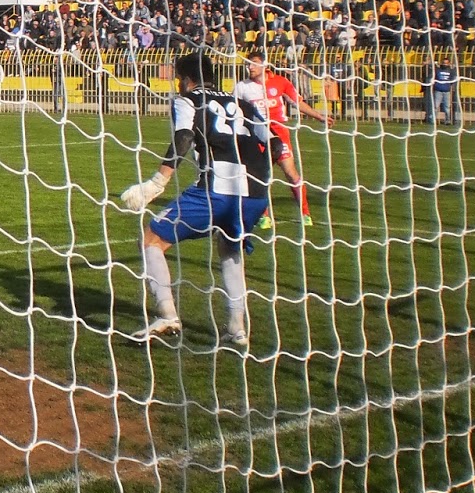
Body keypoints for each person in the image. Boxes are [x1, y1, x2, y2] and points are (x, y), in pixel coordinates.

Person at [119, 51, 271, 348]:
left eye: (178, 79)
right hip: (254, 195)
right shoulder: (245, 105)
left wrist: (156, 183)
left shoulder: (188, 100)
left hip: (215, 191)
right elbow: (273, 141)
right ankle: (237, 327)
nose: (178, 85)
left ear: (186, 80)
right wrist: (290, 180)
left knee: (152, 239)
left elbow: (184, 137)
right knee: (230, 249)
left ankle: (167, 314)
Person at [233, 51, 331, 229]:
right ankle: (264, 216)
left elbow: (297, 102)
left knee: (291, 174)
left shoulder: (280, 82)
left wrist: (318, 116)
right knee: (259, 177)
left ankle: (305, 213)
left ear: (264, 64)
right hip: (257, 137)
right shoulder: (241, 87)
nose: (250, 67)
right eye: (248, 64)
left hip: (280, 134)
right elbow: (234, 110)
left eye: (254, 63)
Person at [426, 58, 458, 125]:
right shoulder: (437, 70)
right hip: (438, 91)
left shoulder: (450, 71)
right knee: (435, 106)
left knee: (447, 107)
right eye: (443, 63)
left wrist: (448, 86)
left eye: (446, 63)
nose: (444, 64)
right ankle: (433, 120)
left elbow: (452, 80)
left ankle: (448, 120)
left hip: (447, 91)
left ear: (449, 63)